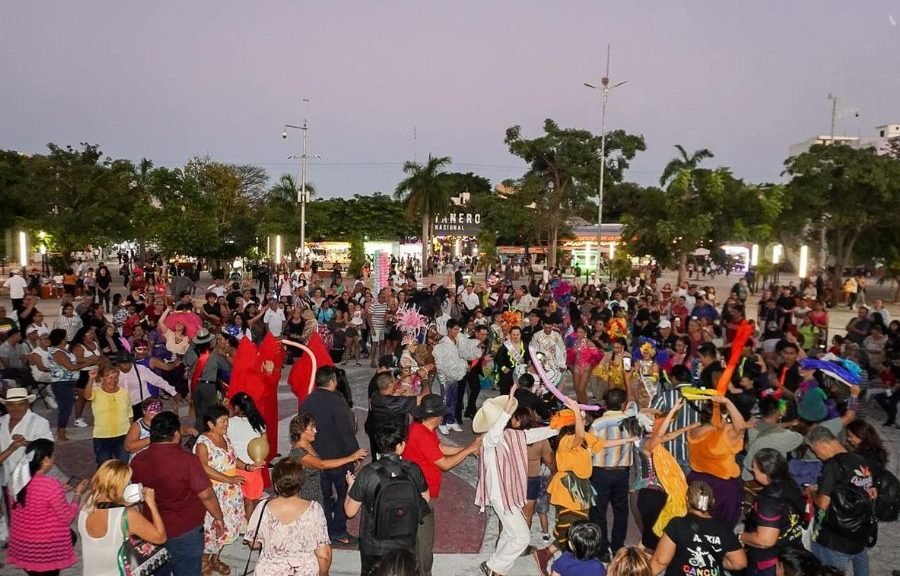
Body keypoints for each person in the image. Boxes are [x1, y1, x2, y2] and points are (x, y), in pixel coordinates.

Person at [473, 385, 558, 576]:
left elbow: (535, 434)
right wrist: (506, 410)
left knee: (510, 533)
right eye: (507, 416)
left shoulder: (510, 435)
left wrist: (558, 426)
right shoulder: (489, 439)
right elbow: (496, 434)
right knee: (522, 537)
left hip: (509, 493)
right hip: (501, 495)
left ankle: (495, 566)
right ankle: (494, 567)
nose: (511, 417)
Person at [131, 411, 226, 576]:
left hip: (152, 528)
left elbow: (138, 496)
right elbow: (206, 495)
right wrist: (218, 517)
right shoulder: (187, 461)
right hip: (185, 530)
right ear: (176, 434)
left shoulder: (137, 460)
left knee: (158, 570)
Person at [402, 394, 482, 576]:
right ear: (437, 416)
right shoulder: (421, 434)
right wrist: (469, 449)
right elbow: (444, 463)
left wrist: (469, 451)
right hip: (421, 497)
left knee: (417, 540)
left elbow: (439, 449)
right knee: (424, 544)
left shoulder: (422, 429)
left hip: (416, 491)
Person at [345, 423, 430, 576]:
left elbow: (350, 511)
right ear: (400, 446)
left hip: (374, 545)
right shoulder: (413, 469)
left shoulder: (368, 473)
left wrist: (351, 486)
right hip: (406, 542)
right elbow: (426, 499)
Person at [299, 366, 367, 545]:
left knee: (323, 497)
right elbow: (346, 431)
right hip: (339, 458)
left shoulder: (307, 401)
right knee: (345, 492)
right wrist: (354, 455)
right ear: (332, 381)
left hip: (315, 457)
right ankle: (338, 530)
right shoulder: (338, 401)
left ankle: (325, 530)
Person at [194, 404, 263, 574]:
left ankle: (216, 559)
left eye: (227, 420)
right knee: (212, 528)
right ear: (211, 424)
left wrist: (247, 467)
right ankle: (204, 562)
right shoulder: (203, 443)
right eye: (223, 421)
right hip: (214, 492)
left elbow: (232, 458)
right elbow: (203, 467)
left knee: (226, 528)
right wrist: (228, 479)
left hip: (230, 494)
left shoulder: (225, 438)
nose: (227, 424)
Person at [6, 439, 87, 575]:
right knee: (71, 535)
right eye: (53, 455)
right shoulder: (50, 485)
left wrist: (62, 488)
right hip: (44, 549)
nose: (54, 458)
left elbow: (32, 497)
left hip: (22, 545)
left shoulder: (16, 480)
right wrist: (78, 493)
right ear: (45, 460)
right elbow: (67, 518)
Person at [805, 425, 875, 576]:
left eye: (815, 451)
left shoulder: (832, 466)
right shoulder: (861, 460)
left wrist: (812, 491)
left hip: (835, 540)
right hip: (859, 533)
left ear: (820, 445)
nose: (817, 456)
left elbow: (823, 504)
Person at [245, 458, 332, 576]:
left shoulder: (262, 507)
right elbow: (324, 555)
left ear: (275, 485)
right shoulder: (314, 510)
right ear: (301, 484)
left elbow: (253, 543)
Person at [78, 459, 167, 576]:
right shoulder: (126, 515)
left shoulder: (86, 505)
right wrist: (152, 504)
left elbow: (107, 507)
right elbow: (160, 537)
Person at [650, 480, 747, 576]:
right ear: (712, 502)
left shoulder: (678, 525)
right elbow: (740, 563)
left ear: (687, 499)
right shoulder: (723, 528)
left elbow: (660, 562)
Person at [739, 449, 806, 576]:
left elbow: (765, 541)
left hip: (771, 562)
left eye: (754, 468)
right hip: (792, 550)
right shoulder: (791, 484)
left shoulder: (769, 500)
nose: (752, 470)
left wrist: (741, 536)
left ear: (766, 473)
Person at [686, 394, 747, 529]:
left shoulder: (694, 431)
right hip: (722, 488)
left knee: (698, 519)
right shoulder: (722, 435)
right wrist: (727, 401)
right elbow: (741, 427)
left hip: (696, 481)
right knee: (721, 528)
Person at [288, 412, 367, 506]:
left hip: (316, 493)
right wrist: (351, 457)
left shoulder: (308, 444)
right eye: (311, 428)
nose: (315, 431)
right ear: (301, 432)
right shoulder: (298, 453)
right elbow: (321, 464)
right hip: (306, 498)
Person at [0, 387, 54, 493]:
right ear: (6, 406)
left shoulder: (39, 422)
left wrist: (26, 443)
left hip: (29, 480)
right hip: (4, 478)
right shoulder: (1, 421)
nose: (16, 409)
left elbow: (48, 447)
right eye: (11, 404)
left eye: (21, 404)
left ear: (28, 404)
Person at [228, 391, 267, 519]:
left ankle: (245, 526)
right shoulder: (259, 423)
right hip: (254, 466)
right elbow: (265, 445)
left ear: (237, 408)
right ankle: (252, 527)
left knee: (239, 500)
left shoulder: (229, 423)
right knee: (251, 500)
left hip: (236, 466)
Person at [85, 364, 133, 464]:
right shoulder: (96, 392)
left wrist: (130, 434)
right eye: (110, 377)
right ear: (102, 378)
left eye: (116, 377)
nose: (113, 380)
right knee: (105, 466)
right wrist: (91, 379)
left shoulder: (124, 392)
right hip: (102, 437)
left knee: (123, 465)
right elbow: (87, 396)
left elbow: (129, 414)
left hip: (123, 435)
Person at [46, 328, 86, 441]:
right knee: (65, 409)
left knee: (67, 407)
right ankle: (61, 433)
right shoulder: (57, 352)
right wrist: (88, 362)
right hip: (61, 383)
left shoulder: (63, 350)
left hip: (67, 383)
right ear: (61, 338)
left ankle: (62, 429)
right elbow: (70, 367)